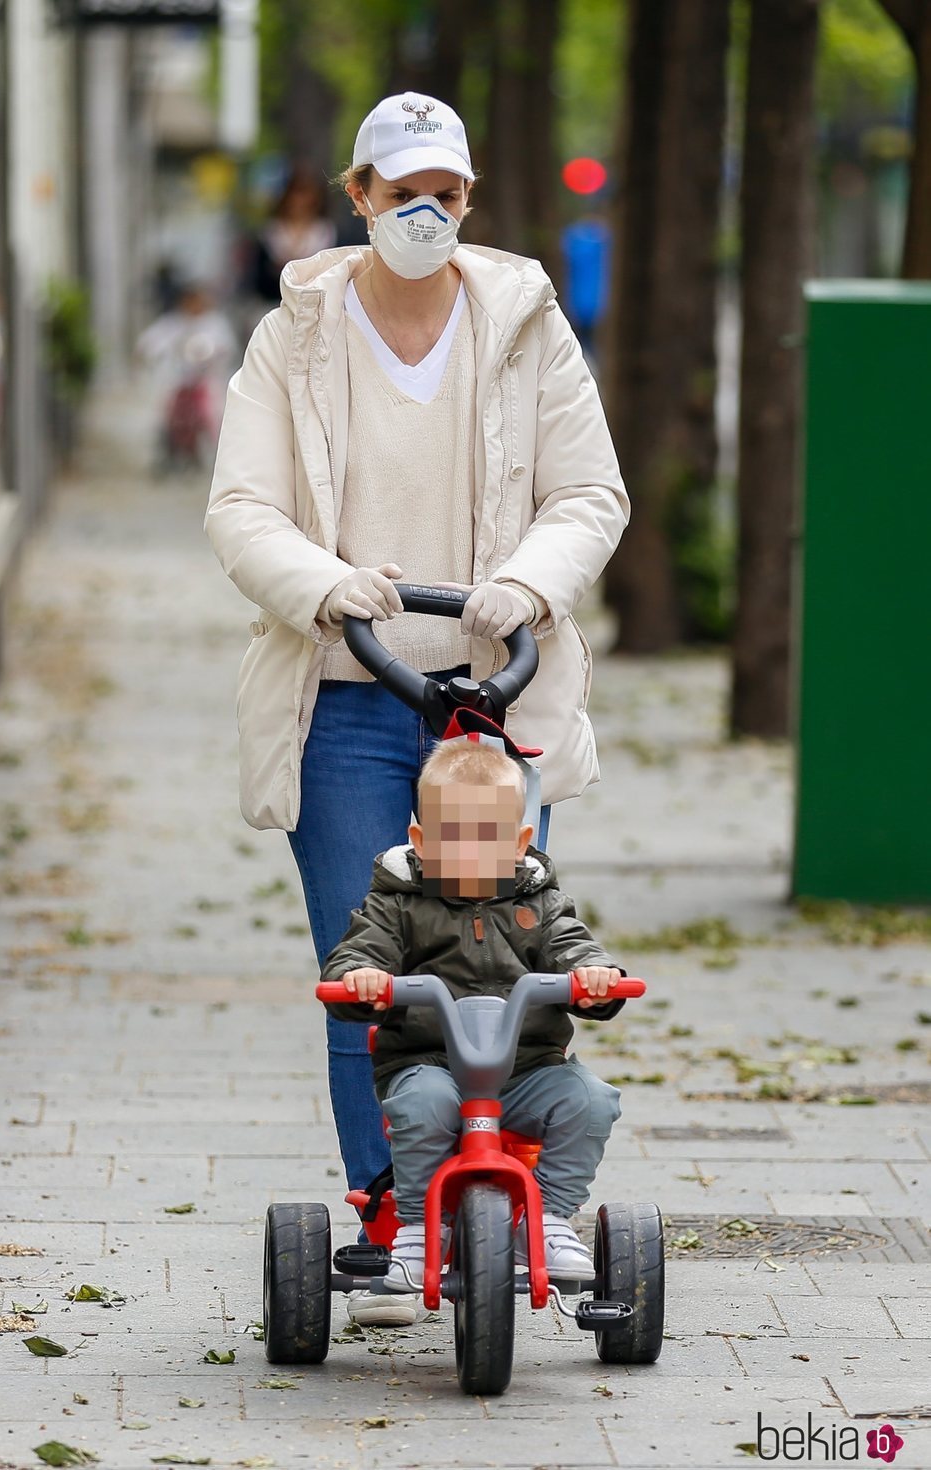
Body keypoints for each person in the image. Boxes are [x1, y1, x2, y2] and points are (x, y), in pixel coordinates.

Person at [204, 91, 630, 1324]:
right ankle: (390, 1216)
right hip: (343, 693)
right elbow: (243, 508)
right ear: (359, 199)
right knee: (368, 972)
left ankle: (516, 1200)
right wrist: (327, 586)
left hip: (492, 709)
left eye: (445, 190)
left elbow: (586, 494)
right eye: (402, 194)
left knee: (508, 959)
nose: (426, 213)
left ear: (469, 196)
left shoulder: (524, 323)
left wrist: (524, 588)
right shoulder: (296, 333)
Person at [321, 739, 625, 1292]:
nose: (470, 850)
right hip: (429, 1061)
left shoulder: (540, 904)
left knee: (591, 1100)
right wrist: (361, 977)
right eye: (453, 836)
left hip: (527, 1068)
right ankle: (418, 1225)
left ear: (519, 843)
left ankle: (548, 1217)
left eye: (488, 837)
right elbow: (360, 951)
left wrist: (594, 979)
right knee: (422, 1105)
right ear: (420, 840)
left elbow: (575, 948)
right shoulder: (398, 903)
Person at [137, 284, 237, 471]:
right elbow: (148, 344)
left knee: (211, 413)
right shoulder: (171, 324)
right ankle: (168, 451)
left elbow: (225, 348)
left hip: (206, 382)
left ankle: (217, 456)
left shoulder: (215, 324)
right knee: (167, 414)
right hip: (176, 382)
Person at [251, 165, 336, 305]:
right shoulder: (272, 231)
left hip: (313, 303)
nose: (300, 201)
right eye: (297, 194)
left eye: (306, 195)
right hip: (273, 301)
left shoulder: (324, 231)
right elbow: (260, 276)